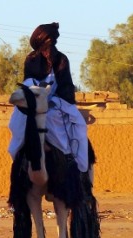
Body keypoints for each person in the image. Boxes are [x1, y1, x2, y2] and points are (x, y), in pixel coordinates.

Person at [8, 22, 89, 173]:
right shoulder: (31, 59)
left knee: (76, 125)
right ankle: (17, 156)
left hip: (57, 101)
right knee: (16, 122)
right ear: (41, 42)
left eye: (52, 41)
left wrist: (55, 100)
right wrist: (36, 94)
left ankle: (74, 160)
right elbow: (28, 81)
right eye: (47, 42)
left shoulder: (61, 59)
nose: (50, 45)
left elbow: (66, 85)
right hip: (33, 100)